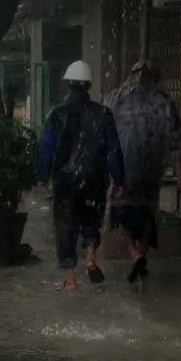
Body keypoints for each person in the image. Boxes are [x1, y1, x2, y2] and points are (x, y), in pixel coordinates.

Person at [36, 61, 126, 291]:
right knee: (91, 220)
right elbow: (113, 149)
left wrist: (42, 176)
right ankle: (91, 257)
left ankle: (70, 280)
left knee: (65, 227)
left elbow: (46, 148)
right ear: (88, 85)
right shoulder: (103, 114)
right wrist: (119, 179)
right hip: (95, 179)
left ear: (68, 84)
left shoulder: (56, 114)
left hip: (65, 181)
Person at [104, 61, 181, 283]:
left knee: (119, 212)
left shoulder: (113, 98)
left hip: (123, 168)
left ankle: (134, 253)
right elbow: (176, 138)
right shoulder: (163, 100)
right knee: (148, 211)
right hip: (151, 168)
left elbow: (104, 133)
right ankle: (141, 252)